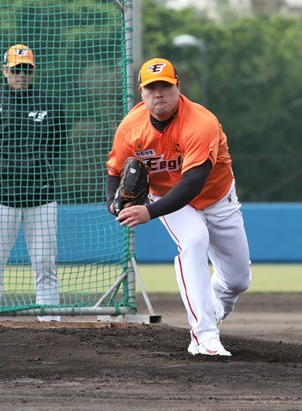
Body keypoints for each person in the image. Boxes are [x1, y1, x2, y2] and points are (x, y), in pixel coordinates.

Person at [105, 57, 251, 356]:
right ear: (141, 93)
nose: (159, 93)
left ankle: (211, 310)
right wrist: (112, 201)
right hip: (169, 200)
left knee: (238, 280)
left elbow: (193, 183)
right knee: (194, 241)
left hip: (216, 198)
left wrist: (148, 212)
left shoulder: (200, 122)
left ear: (178, 87)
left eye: (165, 86)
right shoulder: (131, 127)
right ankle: (204, 337)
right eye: (151, 88)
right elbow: (115, 171)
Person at [0, 44, 67, 322]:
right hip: (1, 199)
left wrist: (46, 173)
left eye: (26, 69)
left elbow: (59, 146)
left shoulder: (49, 103)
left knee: (46, 266)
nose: (21, 75)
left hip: (42, 199)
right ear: (5, 70)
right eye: (16, 69)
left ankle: (50, 322)